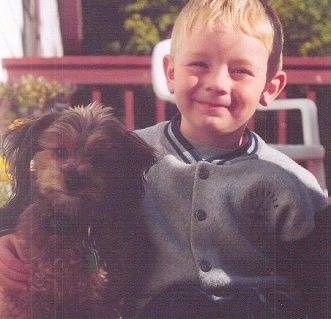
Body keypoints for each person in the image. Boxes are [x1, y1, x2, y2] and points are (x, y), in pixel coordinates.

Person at [0, 1, 328, 318]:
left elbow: (318, 282)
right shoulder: (121, 152)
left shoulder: (290, 183)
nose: (217, 84)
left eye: (240, 70)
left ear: (271, 86)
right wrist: (6, 243)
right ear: (171, 72)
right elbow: (42, 202)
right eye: (199, 64)